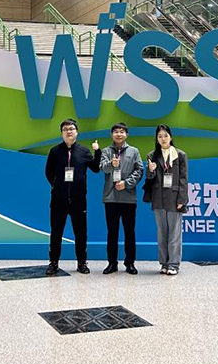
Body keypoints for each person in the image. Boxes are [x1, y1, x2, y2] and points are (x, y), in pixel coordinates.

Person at [43, 118, 102, 276]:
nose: (68, 131)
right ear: (61, 133)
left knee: (80, 233)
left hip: (78, 200)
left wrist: (97, 152)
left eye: (71, 129)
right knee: (56, 233)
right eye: (65, 129)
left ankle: (81, 263)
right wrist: (58, 187)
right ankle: (53, 263)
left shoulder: (84, 151)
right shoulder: (55, 151)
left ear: (77, 132)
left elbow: (96, 169)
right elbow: (48, 172)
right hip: (58, 200)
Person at [98, 122, 143, 275]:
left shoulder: (134, 151)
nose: (119, 134)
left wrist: (126, 183)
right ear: (112, 134)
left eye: (122, 131)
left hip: (128, 198)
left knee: (129, 232)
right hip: (110, 198)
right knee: (112, 232)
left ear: (126, 134)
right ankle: (112, 263)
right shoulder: (106, 151)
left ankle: (130, 263)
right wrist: (111, 164)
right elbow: (103, 168)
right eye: (116, 131)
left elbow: (139, 170)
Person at [145, 124, 188, 275]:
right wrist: (150, 171)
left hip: (174, 198)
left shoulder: (180, 155)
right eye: (160, 136)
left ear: (170, 137)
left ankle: (174, 264)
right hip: (158, 198)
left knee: (174, 234)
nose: (163, 139)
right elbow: (149, 179)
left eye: (165, 135)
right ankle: (164, 263)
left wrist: (182, 199)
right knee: (161, 233)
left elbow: (183, 179)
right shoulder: (152, 155)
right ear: (156, 139)